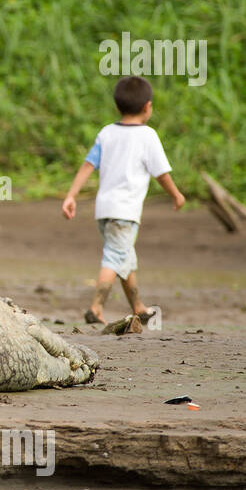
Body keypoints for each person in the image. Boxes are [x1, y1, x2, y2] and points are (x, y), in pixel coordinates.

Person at [62, 76, 186, 324]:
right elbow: (160, 173)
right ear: (147, 107)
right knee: (114, 257)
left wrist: (71, 194)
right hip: (125, 212)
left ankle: (138, 307)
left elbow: (88, 165)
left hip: (104, 210)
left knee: (124, 257)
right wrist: (176, 194)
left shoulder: (106, 133)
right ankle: (96, 307)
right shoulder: (147, 136)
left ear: (118, 106)